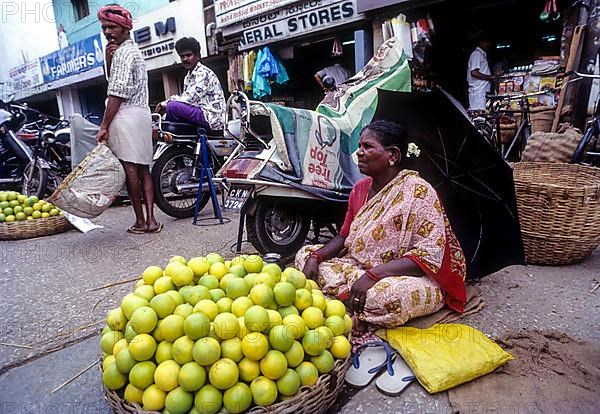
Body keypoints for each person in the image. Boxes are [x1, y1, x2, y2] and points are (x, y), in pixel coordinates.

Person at [297, 120, 467, 339]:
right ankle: (352, 304)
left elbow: (428, 257)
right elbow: (344, 236)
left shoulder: (418, 192)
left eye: (368, 146)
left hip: (400, 276)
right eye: (360, 146)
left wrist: (375, 275)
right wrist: (316, 257)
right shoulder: (360, 190)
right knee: (304, 255)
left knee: (387, 297)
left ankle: (345, 302)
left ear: (393, 155)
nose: (359, 152)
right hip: (357, 266)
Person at [96, 5, 161, 234]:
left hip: (125, 115)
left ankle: (141, 222)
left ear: (125, 28)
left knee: (131, 170)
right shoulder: (130, 51)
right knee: (144, 169)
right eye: (104, 27)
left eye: (112, 26)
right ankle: (152, 220)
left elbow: (116, 92)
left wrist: (104, 125)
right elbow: (115, 80)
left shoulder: (124, 53)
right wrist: (107, 56)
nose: (107, 31)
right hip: (141, 115)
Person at [154, 37, 226, 130]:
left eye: (188, 55)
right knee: (167, 114)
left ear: (198, 56)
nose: (185, 59)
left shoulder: (203, 73)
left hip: (212, 118)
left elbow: (188, 99)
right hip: (200, 113)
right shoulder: (188, 77)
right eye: (182, 56)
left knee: (172, 106)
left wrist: (164, 104)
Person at [467, 35, 495, 111]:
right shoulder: (476, 54)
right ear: (480, 42)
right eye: (486, 42)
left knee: (482, 114)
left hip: (481, 91)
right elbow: (474, 73)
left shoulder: (482, 54)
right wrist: (490, 77)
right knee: (479, 115)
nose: (488, 44)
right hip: (478, 92)